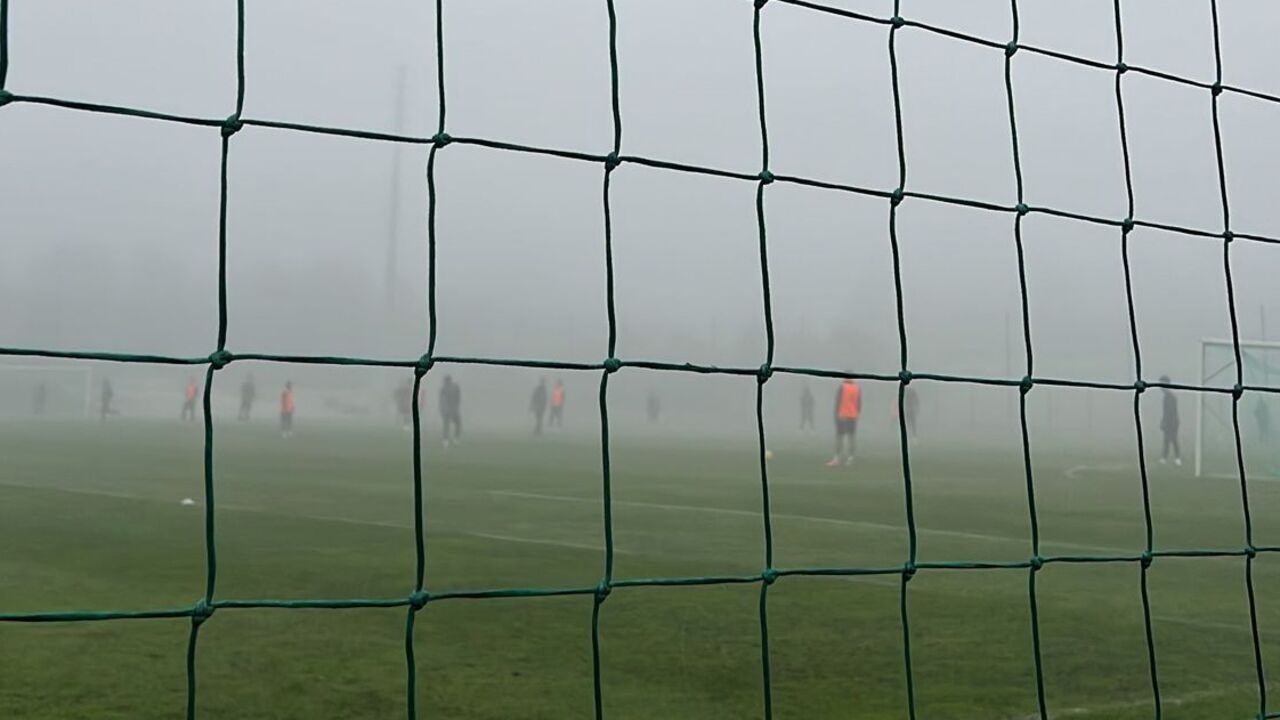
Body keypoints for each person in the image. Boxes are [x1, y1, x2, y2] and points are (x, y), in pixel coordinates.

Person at [826, 378, 861, 467]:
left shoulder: (842, 387)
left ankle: (837, 457)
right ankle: (850, 458)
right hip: (853, 415)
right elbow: (859, 403)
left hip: (842, 414)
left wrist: (835, 414)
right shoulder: (857, 388)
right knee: (851, 437)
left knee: (840, 437)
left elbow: (838, 401)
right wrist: (857, 413)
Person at [1158, 375, 1180, 466]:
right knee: (1167, 440)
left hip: (1172, 422)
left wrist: (1168, 422)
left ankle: (1177, 458)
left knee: (1173, 439)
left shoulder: (1170, 397)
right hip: (1169, 422)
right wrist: (1163, 421)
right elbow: (1165, 412)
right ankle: (1165, 458)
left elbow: (1171, 411)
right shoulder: (1166, 397)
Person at [439, 375, 462, 446]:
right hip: (449, 409)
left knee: (454, 424)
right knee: (448, 425)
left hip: (451, 409)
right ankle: (449, 439)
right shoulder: (445, 388)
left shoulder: (452, 388)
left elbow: (457, 398)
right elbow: (442, 400)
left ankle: (451, 439)